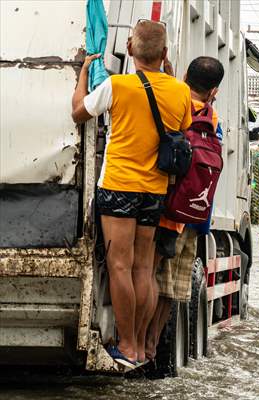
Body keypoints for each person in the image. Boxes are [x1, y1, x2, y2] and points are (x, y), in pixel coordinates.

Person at [71, 20, 192, 368]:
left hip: (120, 185)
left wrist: (83, 75)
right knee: (143, 269)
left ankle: (125, 345)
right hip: (155, 189)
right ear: (165, 54)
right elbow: (181, 129)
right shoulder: (180, 91)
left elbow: (79, 112)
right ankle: (139, 346)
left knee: (119, 265)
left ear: (130, 49)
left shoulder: (117, 85)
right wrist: (169, 78)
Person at [145, 56, 224, 363]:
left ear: (184, 76)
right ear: (213, 91)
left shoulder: (173, 101)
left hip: (157, 205)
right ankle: (152, 345)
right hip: (189, 214)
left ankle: (137, 342)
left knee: (146, 275)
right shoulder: (212, 119)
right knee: (172, 287)